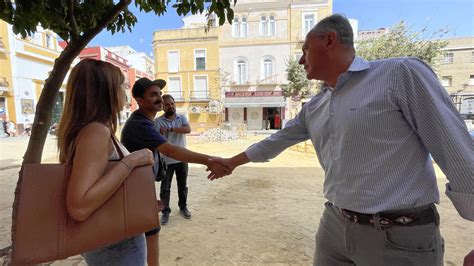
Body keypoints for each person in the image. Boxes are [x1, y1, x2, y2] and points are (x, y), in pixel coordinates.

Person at [211, 14, 473, 265]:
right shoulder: (315, 105)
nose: (301, 61)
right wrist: (231, 162)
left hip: (398, 234)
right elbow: (275, 141)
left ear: (329, 40)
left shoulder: (399, 74)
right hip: (335, 226)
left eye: (305, 50)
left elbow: (455, 148)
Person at [121, 77, 228, 266]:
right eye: (153, 95)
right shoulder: (141, 124)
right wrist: (209, 160)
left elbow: (182, 134)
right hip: (133, 190)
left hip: (138, 188)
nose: (159, 99)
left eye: (160, 94)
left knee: (148, 233)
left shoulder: (144, 121)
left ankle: (181, 207)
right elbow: (170, 150)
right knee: (149, 233)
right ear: (139, 100)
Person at [57, 59, 154, 265]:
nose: (125, 92)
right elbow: (79, 206)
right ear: (106, 91)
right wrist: (130, 161)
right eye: (122, 85)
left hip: (107, 242)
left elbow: (100, 184)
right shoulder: (96, 132)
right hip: (118, 246)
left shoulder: (86, 130)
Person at [155, 94, 192, 225]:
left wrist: (169, 129)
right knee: (165, 188)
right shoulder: (158, 121)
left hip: (182, 159)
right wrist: (161, 132)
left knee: (183, 186)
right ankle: (165, 212)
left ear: (175, 104)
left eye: (172, 104)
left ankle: (183, 207)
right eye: (167, 105)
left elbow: (188, 129)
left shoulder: (181, 117)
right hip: (166, 161)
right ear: (163, 107)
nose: (170, 106)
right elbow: (158, 139)